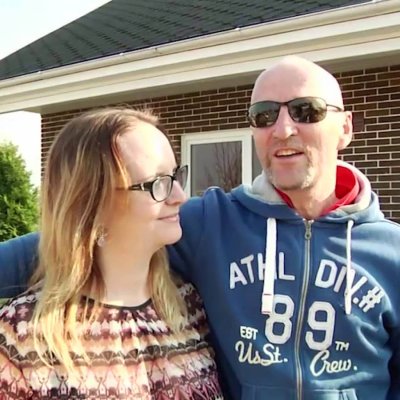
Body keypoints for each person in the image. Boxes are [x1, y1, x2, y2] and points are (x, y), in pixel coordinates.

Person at [1, 55, 400, 399]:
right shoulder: (210, 224)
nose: (283, 129)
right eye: (264, 115)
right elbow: (78, 235)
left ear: (345, 127)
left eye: (305, 110)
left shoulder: (392, 253)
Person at [0, 108, 223, 399]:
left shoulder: (188, 307)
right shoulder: (23, 336)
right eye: (158, 183)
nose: (181, 196)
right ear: (92, 205)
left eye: (176, 175)